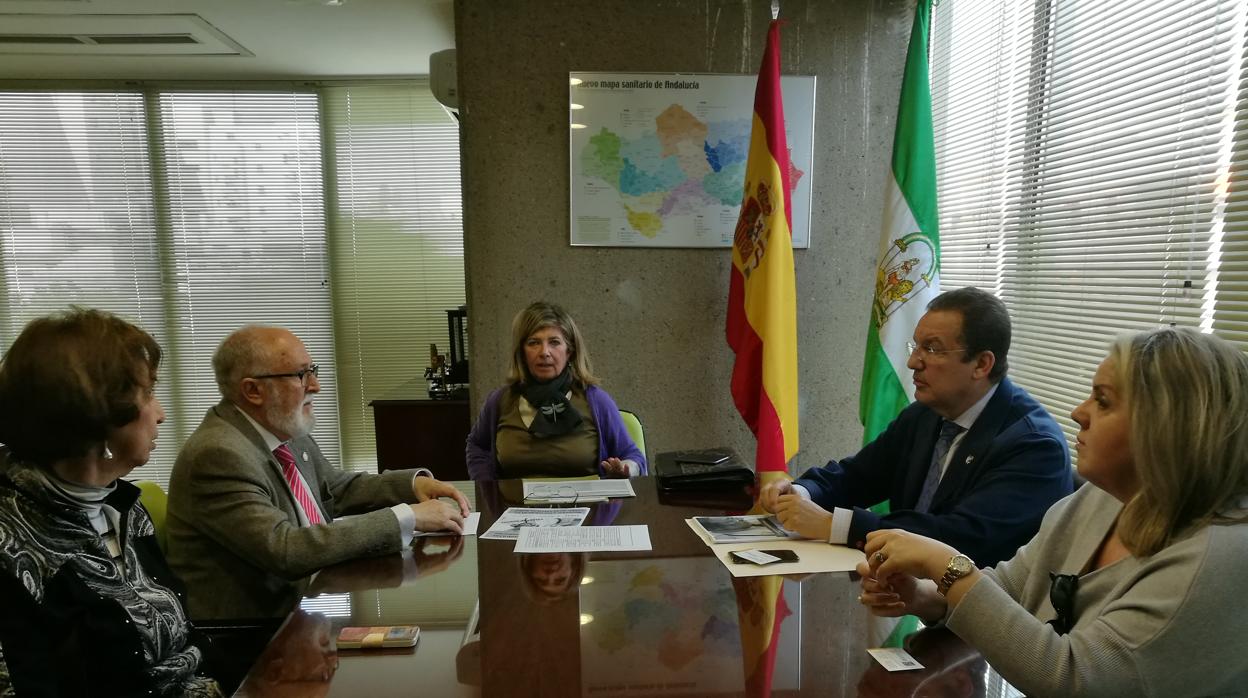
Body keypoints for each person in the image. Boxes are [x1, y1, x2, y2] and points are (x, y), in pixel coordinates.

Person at [859, 327, 1248, 696]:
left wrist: (947, 568)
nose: (1079, 412)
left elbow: (1071, 680)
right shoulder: (1100, 497)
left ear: (1168, 425)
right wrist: (926, 595)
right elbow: (1011, 589)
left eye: (1103, 400)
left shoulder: (1221, 556)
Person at [166, 325, 472, 620]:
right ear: (253, 390)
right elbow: (284, 548)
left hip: (312, 602)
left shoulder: (284, 430)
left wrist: (411, 485)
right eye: (301, 375)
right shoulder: (218, 455)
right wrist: (408, 517)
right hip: (255, 634)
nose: (315, 386)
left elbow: (335, 488)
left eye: (313, 371)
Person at [761, 287, 1072, 566]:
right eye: (917, 346)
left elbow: (957, 537)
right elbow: (858, 475)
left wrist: (837, 526)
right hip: (911, 595)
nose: (913, 362)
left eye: (933, 349)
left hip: (982, 619)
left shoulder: (1033, 446)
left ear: (982, 364)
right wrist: (801, 493)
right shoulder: (926, 414)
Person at [0, 309, 221, 696]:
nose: (162, 414)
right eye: (148, 392)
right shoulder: (13, 545)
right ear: (95, 413)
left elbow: (182, 643)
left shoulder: (122, 506)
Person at [466, 301, 646, 480]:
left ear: (570, 351)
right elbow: (477, 447)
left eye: (554, 342)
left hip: (586, 506)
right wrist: (487, 487)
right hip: (514, 506)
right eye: (534, 343)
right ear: (521, 352)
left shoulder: (596, 400)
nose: (544, 352)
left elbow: (634, 457)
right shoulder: (500, 401)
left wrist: (626, 469)